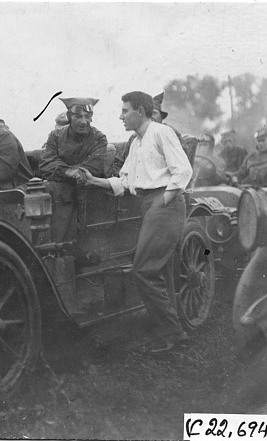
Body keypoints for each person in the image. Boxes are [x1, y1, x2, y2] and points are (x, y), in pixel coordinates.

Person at [81, 91, 193, 353]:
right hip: (150, 204)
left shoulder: (160, 133)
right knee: (158, 269)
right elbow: (127, 182)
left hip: (163, 203)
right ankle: (169, 331)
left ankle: (171, 332)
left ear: (140, 112)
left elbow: (184, 170)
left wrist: (162, 201)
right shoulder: (137, 142)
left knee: (143, 270)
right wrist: (92, 181)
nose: (121, 116)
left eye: (125, 111)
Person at [39, 97, 107, 245]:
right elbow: (46, 164)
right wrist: (68, 172)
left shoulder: (99, 138)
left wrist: (64, 170)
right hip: (59, 195)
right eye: (78, 116)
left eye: (87, 117)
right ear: (69, 117)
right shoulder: (55, 136)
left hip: (86, 195)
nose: (83, 121)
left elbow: (94, 168)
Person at [110, 91, 187, 177]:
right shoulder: (135, 139)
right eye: (149, 114)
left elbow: (181, 168)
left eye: (154, 113)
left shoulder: (169, 133)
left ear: (161, 117)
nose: (151, 117)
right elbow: (120, 162)